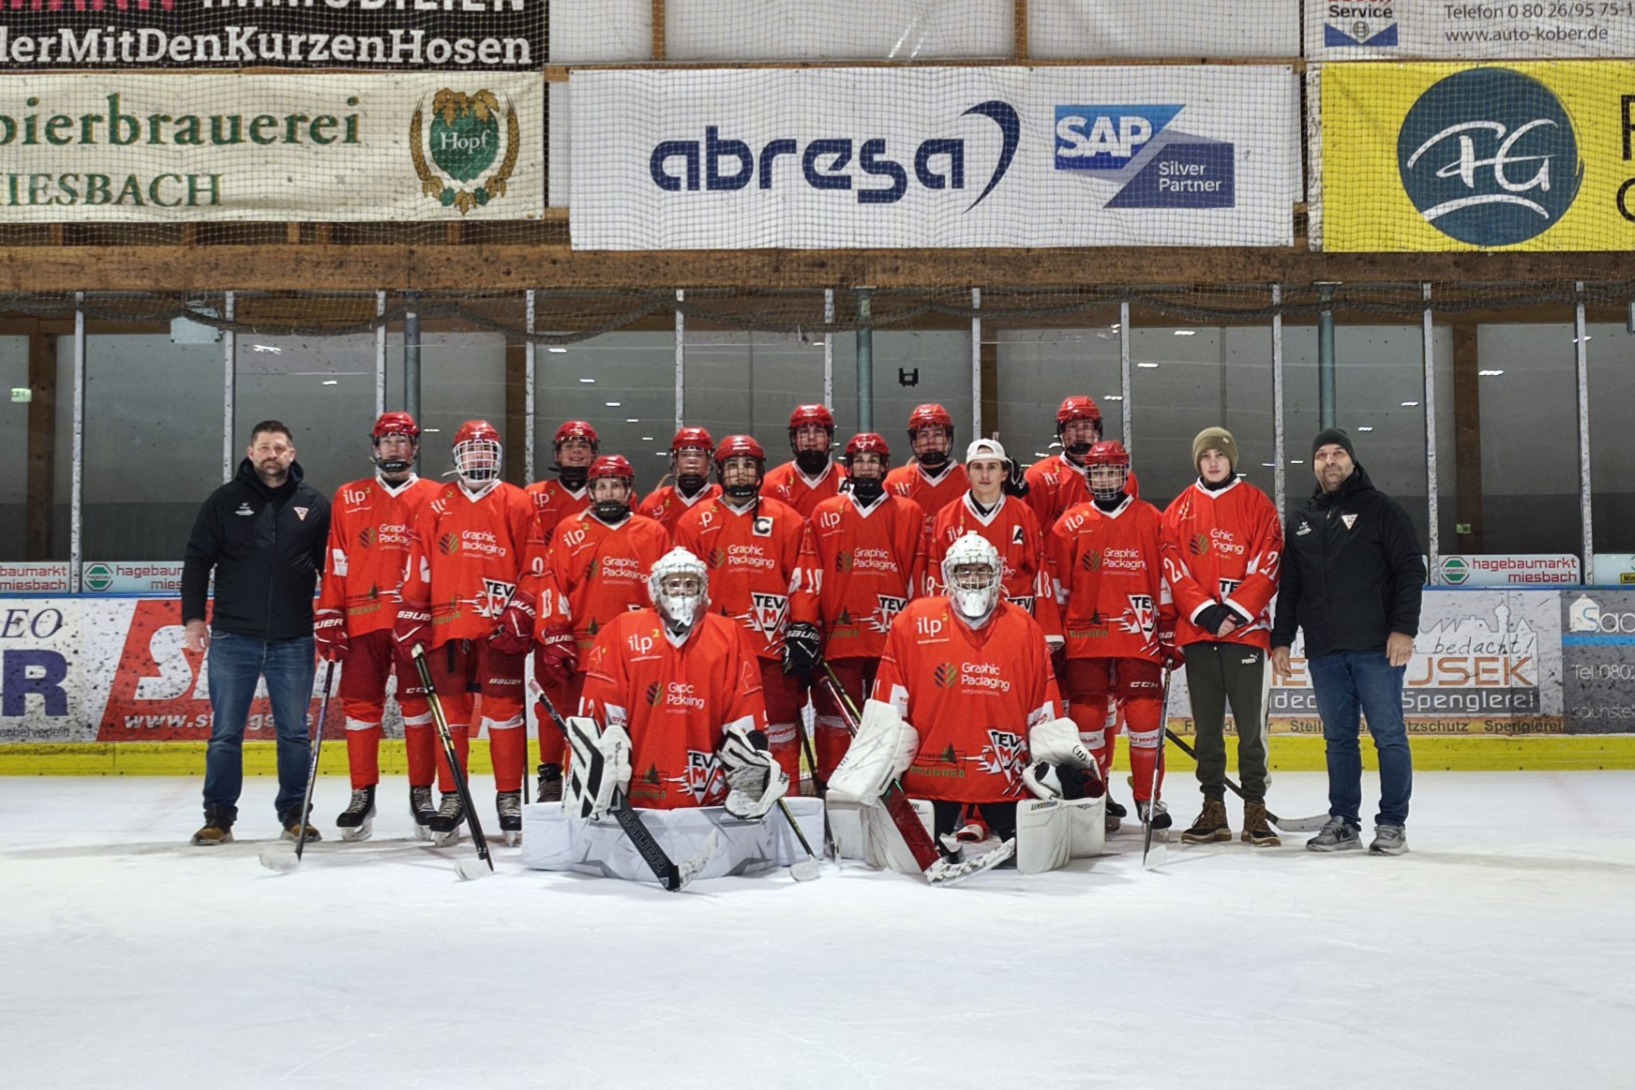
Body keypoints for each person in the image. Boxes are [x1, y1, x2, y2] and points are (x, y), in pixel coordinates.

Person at [828, 533, 1085, 848]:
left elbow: (1042, 707)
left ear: (996, 574)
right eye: (964, 571)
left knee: (1032, 851)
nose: (973, 580)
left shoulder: (1024, 627)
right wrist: (881, 765)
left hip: (1005, 779)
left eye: (981, 571)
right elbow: (890, 705)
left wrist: (1056, 760)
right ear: (948, 575)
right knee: (913, 852)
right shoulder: (914, 622)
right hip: (932, 779)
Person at [1272, 428, 1424, 856]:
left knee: (1388, 736)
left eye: (1338, 453)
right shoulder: (1302, 520)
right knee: (1338, 740)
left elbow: (1410, 570)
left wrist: (1403, 629)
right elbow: (1291, 585)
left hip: (1376, 647)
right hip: (1325, 650)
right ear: (1314, 465)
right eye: (1322, 455)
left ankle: (1392, 824)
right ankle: (1343, 822)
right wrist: (1281, 639)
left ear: (1352, 460)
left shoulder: (1381, 510)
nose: (1330, 461)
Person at [183, 420, 331, 846]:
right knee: (225, 734)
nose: (272, 455)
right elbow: (197, 560)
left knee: (295, 734)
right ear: (251, 453)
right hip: (234, 637)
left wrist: (339, 617)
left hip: (294, 638)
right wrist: (193, 618)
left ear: (292, 454)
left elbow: (331, 568)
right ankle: (218, 818)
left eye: (279, 448)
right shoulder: (225, 501)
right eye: (264, 447)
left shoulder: (313, 505)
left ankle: (295, 816)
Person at [499, 454, 672, 799]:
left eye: (616, 486)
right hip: (583, 650)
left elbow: (664, 592)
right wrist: (555, 635)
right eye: (602, 486)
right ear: (591, 491)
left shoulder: (653, 532)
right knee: (581, 723)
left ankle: (638, 788)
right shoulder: (569, 530)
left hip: (639, 650)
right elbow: (553, 586)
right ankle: (574, 789)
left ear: (629, 491)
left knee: (639, 720)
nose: (609, 493)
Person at [394, 420, 534, 844]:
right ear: (458, 457)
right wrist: (413, 609)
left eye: (485, 449)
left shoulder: (518, 501)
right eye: (471, 450)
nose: (478, 457)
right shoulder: (436, 502)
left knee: (505, 713)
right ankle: (452, 796)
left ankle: (509, 799)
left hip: (498, 629)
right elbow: (420, 561)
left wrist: (523, 608)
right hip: (448, 627)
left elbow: (535, 564)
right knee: (451, 716)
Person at [314, 412, 442, 841]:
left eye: (403, 440)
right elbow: (336, 558)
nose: (394, 448)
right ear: (374, 447)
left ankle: (421, 794)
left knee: (418, 708)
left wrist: (432, 612)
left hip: (414, 622)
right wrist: (330, 613)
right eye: (387, 441)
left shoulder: (436, 496)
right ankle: (361, 794)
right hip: (362, 619)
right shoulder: (348, 496)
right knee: (360, 707)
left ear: (415, 447)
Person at [1160, 427, 1284, 847]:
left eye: (1220, 455)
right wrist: (1206, 613)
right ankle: (1213, 807)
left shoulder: (1257, 504)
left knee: (1251, 730)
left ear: (1232, 459)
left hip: (1246, 636)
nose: (1213, 462)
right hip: (1200, 634)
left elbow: (1268, 562)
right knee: (1207, 730)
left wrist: (1233, 612)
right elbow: (1174, 568)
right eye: (1206, 456)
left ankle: (1255, 808)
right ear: (1198, 461)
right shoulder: (1178, 510)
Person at [1047, 440, 1179, 833]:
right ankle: (1096, 796)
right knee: (1087, 720)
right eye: (1097, 472)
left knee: (1145, 718)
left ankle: (1148, 797)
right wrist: (1055, 636)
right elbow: (1058, 587)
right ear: (1087, 476)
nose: (1104, 479)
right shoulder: (1069, 524)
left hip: (1139, 636)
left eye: (1111, 471)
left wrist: (1168, 629)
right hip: (1085, 637)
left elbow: (1165, 580)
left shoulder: (1152, 519)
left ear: (1125, 474)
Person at [673, 434, 819, 788]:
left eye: (748, 465)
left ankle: (787, 798)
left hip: (772, 648)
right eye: (733, 466)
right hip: (711, 649)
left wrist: (802, 626)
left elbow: (802, 578)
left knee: (780, 725)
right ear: (720, 471)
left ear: (760, 470)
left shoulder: (787, 519)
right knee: (713, 724)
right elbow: (682, 586)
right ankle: (718, 797)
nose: (740, 473)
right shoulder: (693, 522)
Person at [800, 432, 925, 782]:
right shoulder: (825, 512)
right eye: (860, 461)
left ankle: (890, 785)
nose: (867, 467)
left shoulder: (909, 513)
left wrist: (917, 633)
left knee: (891, 717)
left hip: (891, 641)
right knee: (833, 718)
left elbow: (918, 576)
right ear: (849, 468)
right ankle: (832, 784)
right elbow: (810, 574)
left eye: (873, 461)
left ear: (885, 467)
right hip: (840, 639)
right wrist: (805, 623)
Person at [521, 420, 597, 797]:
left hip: (592, 616)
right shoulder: (533, 496)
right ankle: (550, 774)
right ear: (556, 453)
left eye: (583, 446)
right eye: (569, 446)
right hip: (546, 615)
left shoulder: (611, 493)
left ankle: (586, 771)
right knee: (550, 700)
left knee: (592, 701)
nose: (576, 452)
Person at [926, 438, 1060, 643]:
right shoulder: (947, 516)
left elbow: (1040, 574)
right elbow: (937, 576)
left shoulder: (1024, 514)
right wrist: (938, 626)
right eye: (978, 467)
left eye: (992, 467)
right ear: (967, 473)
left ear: (1004, 473)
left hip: (1016, 622)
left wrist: (1047, 632)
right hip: (963, 623)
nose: (985, 475)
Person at [884, 403, 967, 537]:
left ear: (948, 438)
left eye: (937, 434)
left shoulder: (969, 478)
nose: (931, 441)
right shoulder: (894, 481)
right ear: (914, 441)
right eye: (923, 435)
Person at [762, 403, 847, 519]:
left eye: (818, 431)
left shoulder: (849, 481)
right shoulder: (771, 484)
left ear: (829, 438)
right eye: (804, 431)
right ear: (794, 438)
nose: (811, 438)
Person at [638, 426, 721, 534]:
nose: (691, 461)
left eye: (698, 455)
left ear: (709, 461)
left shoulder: (723, 499)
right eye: (685, 455)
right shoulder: (653, 503)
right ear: (675, 460)